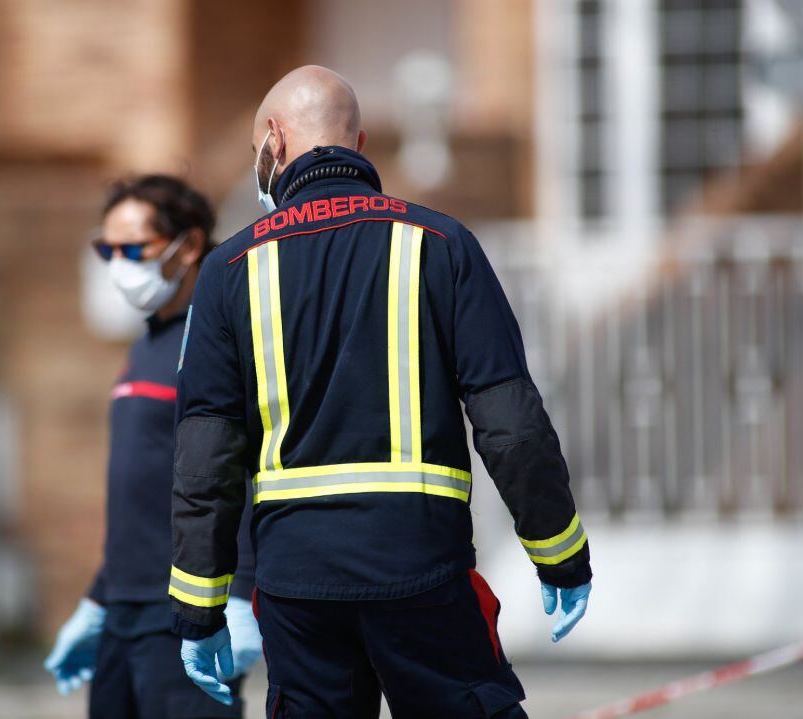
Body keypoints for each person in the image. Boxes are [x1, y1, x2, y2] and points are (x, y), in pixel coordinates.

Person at [169, 66, 593, 718]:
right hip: (421, 565)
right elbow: (511, 422)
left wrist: (199, 604)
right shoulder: (443, 245)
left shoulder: (229, 272)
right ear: (358, 142)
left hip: (296, 582)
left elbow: (207, 452)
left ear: (273, 142)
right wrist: (559, 551)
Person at [45, 175, 262, 718]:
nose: (118, 263)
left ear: (187, 246)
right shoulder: (147, 343)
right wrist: (99, 599)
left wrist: (240, 594)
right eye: (107, 249)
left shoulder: (223, 339)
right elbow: (139, 493)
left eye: (133, 248)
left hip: (188, 615)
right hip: (124, 612)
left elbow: (247, 472)